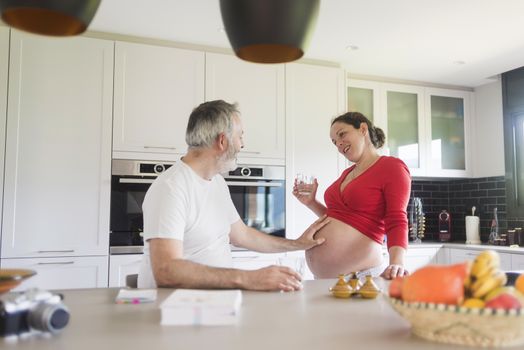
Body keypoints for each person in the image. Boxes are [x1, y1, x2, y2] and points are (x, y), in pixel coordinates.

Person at [138, 100, 329, 291]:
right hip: (175, 310)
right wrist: (249, 278)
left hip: (212, 303)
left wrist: (297, 244)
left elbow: (242, 235)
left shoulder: (217, 182)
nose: (242, 145)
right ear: (222, 141)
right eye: (240, 137)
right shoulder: (171, 188)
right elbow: (166, 270)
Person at [293, 111, 411, 280]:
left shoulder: (392, 167)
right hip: (326, 278)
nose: (339, 145)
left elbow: (397, 218)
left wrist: (397, 262)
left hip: (362, 276)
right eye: (334, 142)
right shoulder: (346, 174)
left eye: (342, 135)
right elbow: (339, 218)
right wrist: (311, 202)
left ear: (363, 129)